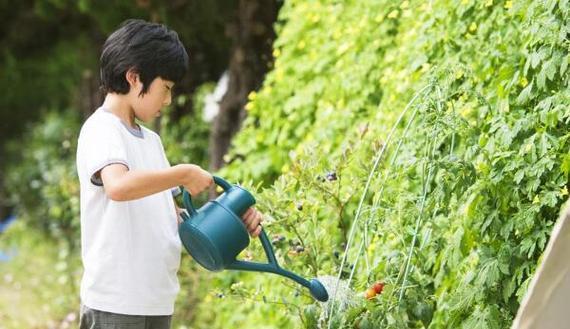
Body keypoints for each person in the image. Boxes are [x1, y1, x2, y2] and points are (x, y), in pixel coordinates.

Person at [75, 19, 263, 329]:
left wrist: (231, 218)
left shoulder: (152, 142)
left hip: (156, 301)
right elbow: (118, 186)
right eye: (166, 88)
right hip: (116, 304)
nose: (168, 100)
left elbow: (171, 217)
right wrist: (181, 173)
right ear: (135, 77)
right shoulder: (102, 129)